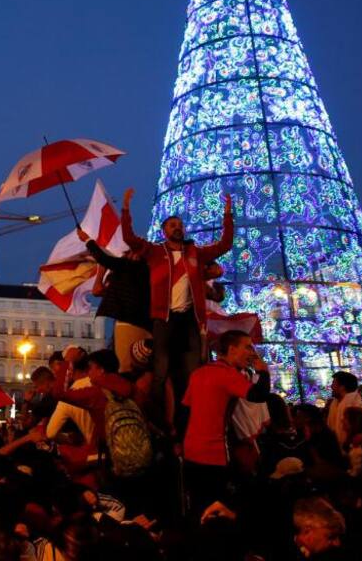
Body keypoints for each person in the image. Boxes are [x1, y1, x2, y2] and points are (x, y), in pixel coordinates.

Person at [118, 187, 235, 429]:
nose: (177, 227)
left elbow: (225, 245)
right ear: (164, 231)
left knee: (192, 372)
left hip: (190, 320)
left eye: (179, 224)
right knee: (161, 371)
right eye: (172, 225)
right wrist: (126, 208)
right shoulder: (154, 252)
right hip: (164, 318)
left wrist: (227, 214)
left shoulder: (195, 253)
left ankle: (190, 418)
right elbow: (129, 238)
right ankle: (160, 421)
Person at [181, 329, 269, 513]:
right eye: (247, 347)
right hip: (214, 452)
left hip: (190, 451)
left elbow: (185, 410)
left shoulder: (198, 373)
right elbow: (259, 395)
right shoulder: (226, 374)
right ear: (232, 349)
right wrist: (264, 373)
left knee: (198, 505)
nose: (252, 353)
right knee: (218, 508)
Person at [75, 227, 151, 373]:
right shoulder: (126, 271)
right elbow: (98, 290)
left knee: (125, 365)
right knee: (136, 365)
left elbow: (103, 259)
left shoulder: (133, 266)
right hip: (135, 320)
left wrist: (87, 240)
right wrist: (101, 270)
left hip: (129, 321)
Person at [326, 372, 362, 447]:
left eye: (333, 383)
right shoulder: (335, 405)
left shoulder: (359, 407)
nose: (331, 387)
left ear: (342, 387)